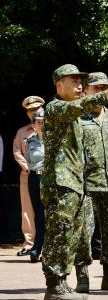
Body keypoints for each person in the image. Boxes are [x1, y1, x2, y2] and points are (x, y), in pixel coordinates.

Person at [42, 64, 108, 300]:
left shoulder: (76, 115)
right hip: (60, 183)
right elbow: (76, 107)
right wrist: (104, 96)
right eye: (74, 81)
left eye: (81, 82)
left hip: (75, 184)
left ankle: (62, 283)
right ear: (59, 86)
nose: (79, 85)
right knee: (59, 233)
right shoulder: (55, 107)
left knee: (71, 235)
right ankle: (55, 285)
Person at [73, 72, 108, 293]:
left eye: (104, 88)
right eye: (96, 89)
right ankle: (82, 275)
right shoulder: (78, 118)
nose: (101, 92)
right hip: (86, 185)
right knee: (84, 232)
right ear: (85, 91)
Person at [13, 96, 44, 256]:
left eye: (36, 108)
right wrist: (26, 167)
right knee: (28, 210)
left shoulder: (50, 129)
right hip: (28, 175)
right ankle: (29, 243)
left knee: (45, 210)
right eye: (30, 110)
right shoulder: (22, 132)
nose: (34, 112)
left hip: (46, 175)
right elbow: (17, 151)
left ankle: (43, 244)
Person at [23, 109, 46, 263]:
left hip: (48, 178)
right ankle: (39, 247)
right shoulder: (30, 141)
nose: (40, 124)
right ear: (33, 124)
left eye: (43, 121)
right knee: (37, 213)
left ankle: (37, 248)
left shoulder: (53, 140)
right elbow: (28, 161)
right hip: (33, 178)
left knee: (44, 214)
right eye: (37, 122)